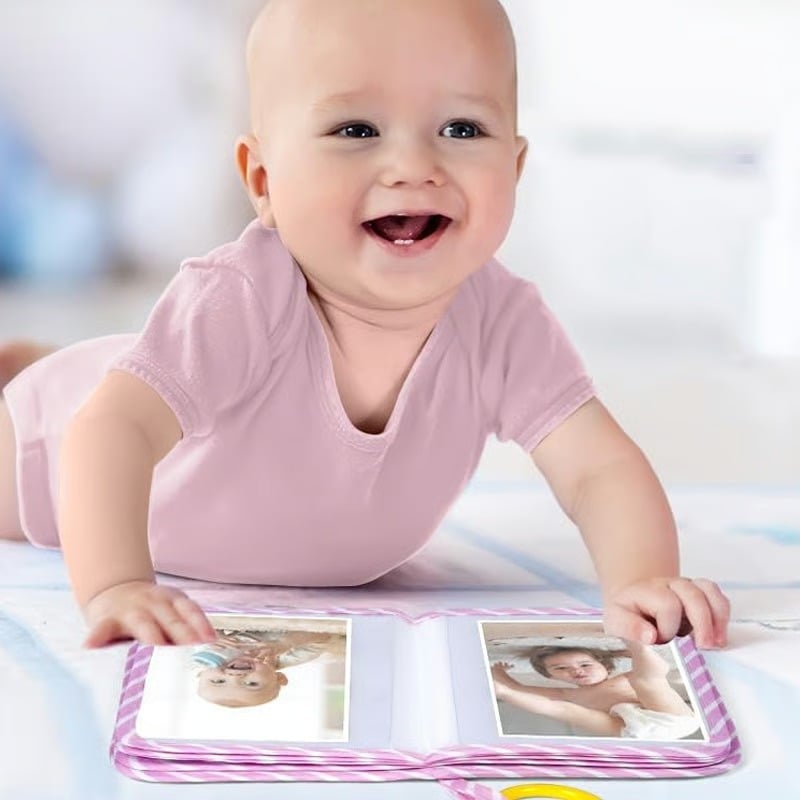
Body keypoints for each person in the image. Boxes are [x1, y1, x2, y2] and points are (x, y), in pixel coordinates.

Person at [0, 0, 729, 650]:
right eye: (357, 129)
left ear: (515, 167)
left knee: (132, 370)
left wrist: (642, 578)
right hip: (46, 449)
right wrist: (117, 585)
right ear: (263, 181)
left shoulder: (503, 322)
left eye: (462, 127)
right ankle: (32, 374)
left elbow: (597, 469)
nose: (413, 165)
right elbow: (110, 432)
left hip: (144, 412)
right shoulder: (242, 295)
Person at [491, 640, 701, 739]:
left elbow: (654, 670)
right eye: (561, 668)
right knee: (563, 710)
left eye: (585, 664)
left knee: (647, 680)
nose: (576, 671)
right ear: (550, 677)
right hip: (633, 731)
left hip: (672, 720)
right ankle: (502, 694)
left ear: (606, 666)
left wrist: (636, 654)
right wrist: (501, 677)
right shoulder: (569, 694)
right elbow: (520, 688)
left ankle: (638, 643)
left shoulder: (625, 678)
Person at [193, 628, 346, 708]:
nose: (234, 676)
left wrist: (215, 634)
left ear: (201, 672)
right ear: (279, 678)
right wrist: (285, 643)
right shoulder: (289, 656)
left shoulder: (211, 652)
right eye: (251, 684)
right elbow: (322, 634)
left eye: (218, 681)